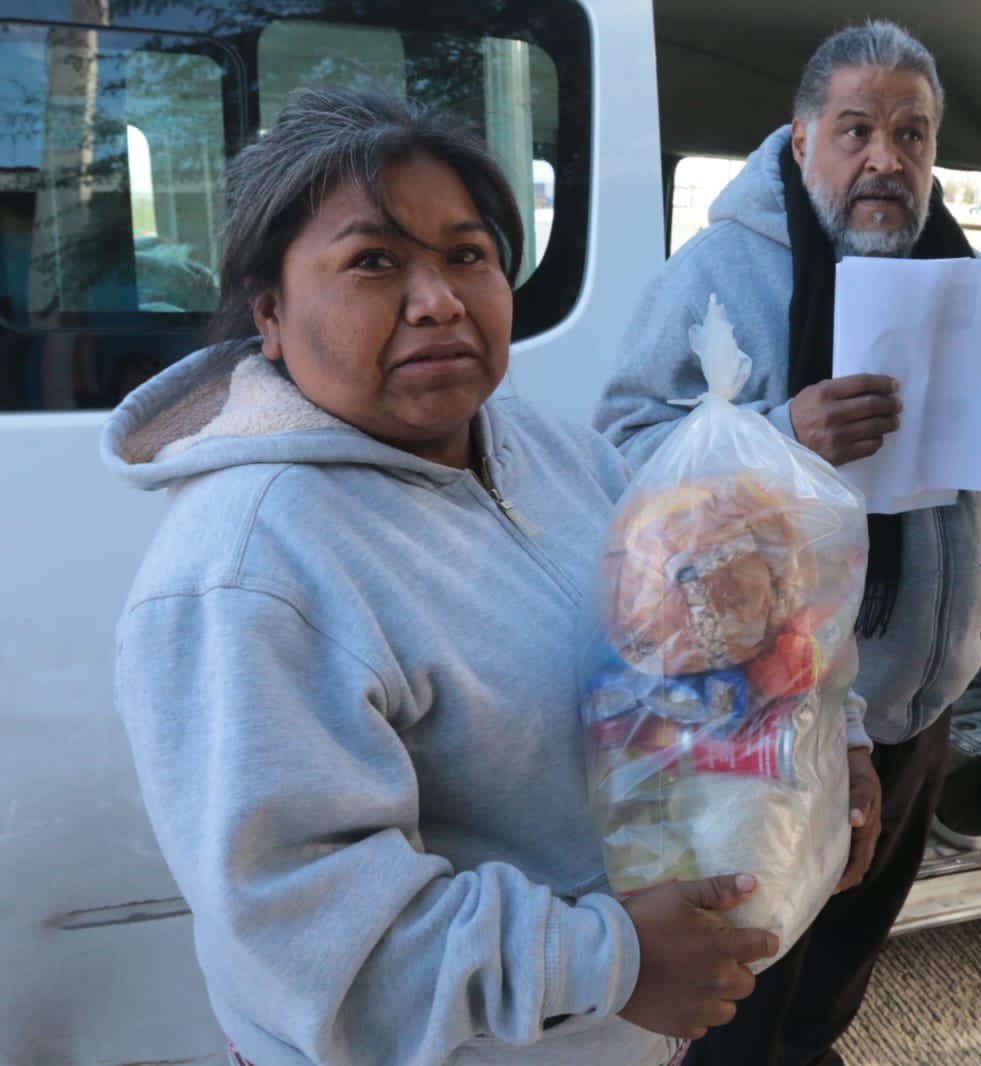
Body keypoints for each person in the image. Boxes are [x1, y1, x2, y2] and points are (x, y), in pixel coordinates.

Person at [101, 87, 818, 1066]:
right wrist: (608, 961)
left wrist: (827, 735)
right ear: (270, 312)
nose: (438, 298)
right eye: (373, 260)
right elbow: (311, 944)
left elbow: (684, 643)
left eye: (467, 255)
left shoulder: (552, 452)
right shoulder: (247, 571)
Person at [592, 20, 981, 1066]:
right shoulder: (715, 273)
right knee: (744, 982)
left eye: (911, 134)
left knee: (840, 965)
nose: (885, 158)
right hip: (768, 716)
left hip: (915, 701)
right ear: (800, 142)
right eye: (855, 130)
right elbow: (619, 456)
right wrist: (778, 435)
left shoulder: (968, 279)